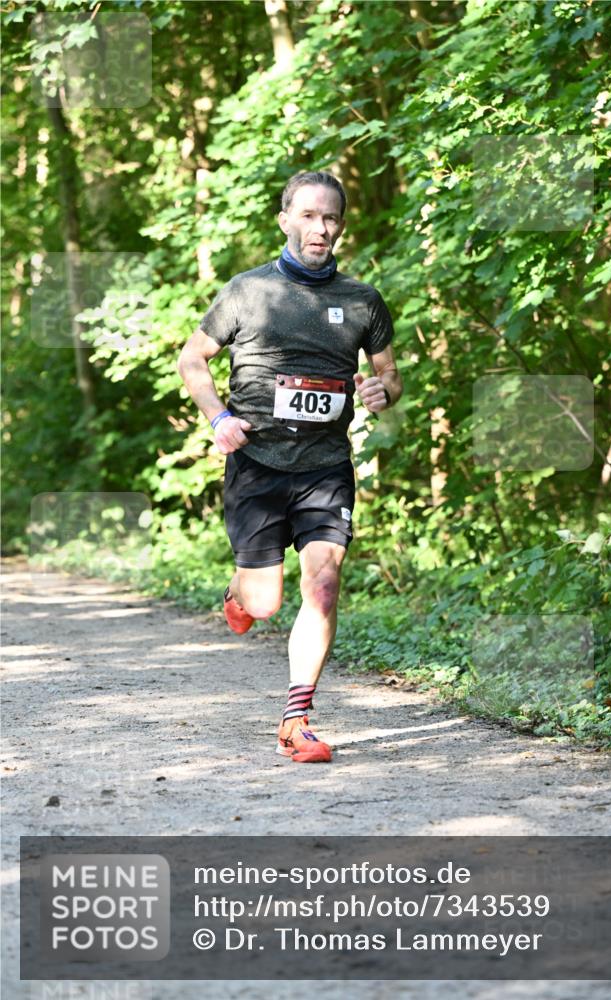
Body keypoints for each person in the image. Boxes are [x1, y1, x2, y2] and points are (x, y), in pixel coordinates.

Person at [177, 170, 402, 763]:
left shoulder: (362, 301)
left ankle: (296, 721)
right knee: (265, 603)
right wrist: (218, 418)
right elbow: (192, 359)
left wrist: (381, 391)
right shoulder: (247, 292)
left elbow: (390, 375)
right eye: (307, 215)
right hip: (256, 463)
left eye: (329, 218)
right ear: (285, 220)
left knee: (324, 584)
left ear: (341, 225)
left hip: (325, 466)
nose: (319, 228)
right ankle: (240, 591)